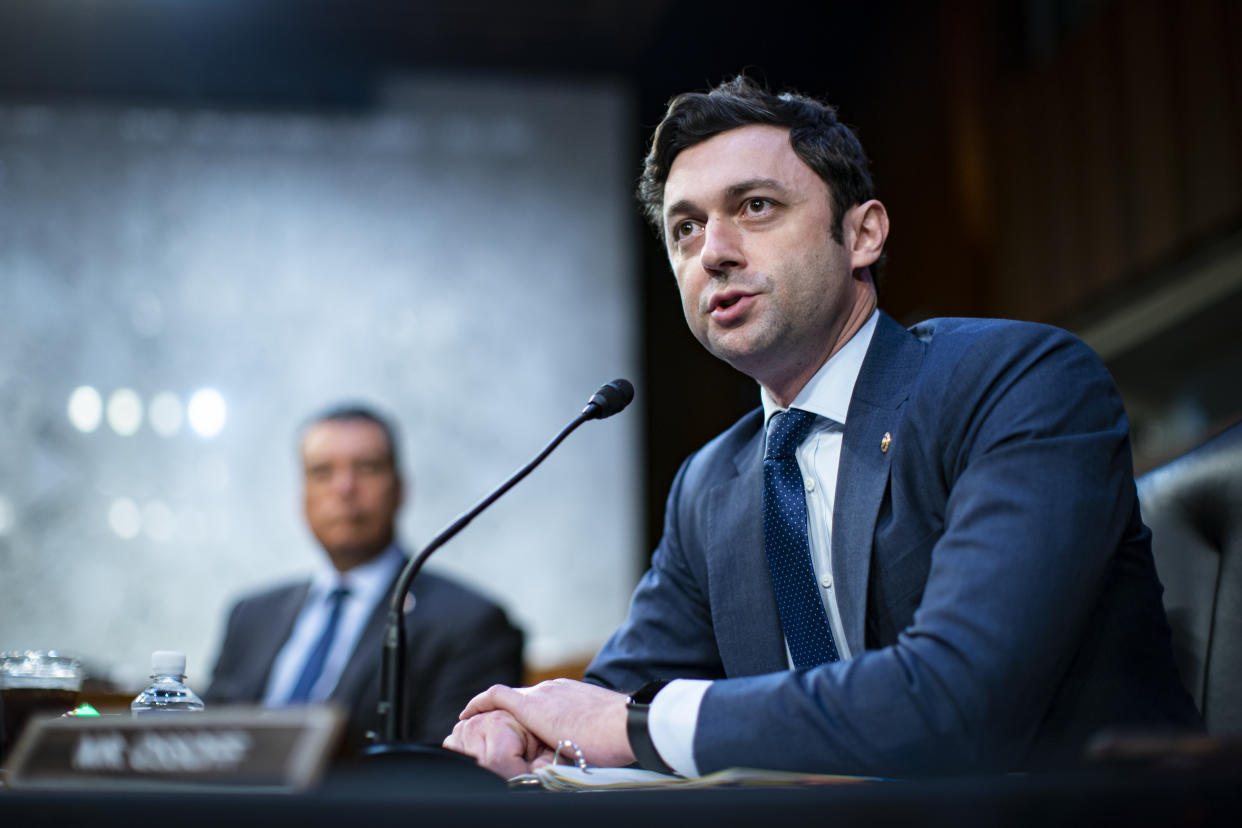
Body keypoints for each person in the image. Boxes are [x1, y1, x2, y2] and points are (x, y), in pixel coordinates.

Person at [442, 76, 1201, 779]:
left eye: (755, 207)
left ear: (863, 234)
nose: (714, 252)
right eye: (684, 229)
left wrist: (638, 724)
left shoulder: (1017, 382)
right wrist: (527, 733)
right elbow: (610, 703)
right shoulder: (711, 483)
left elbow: (961, 697)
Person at [207, 404, 523, 754]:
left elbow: (446, 776)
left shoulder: (470, 624)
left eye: (367, 468)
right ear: (303, 494)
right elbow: (207, 746)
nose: (344, 488)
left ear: (400, 489)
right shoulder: (251, 616)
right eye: (322, 472)